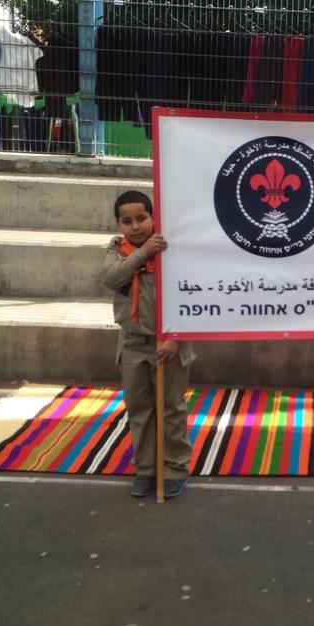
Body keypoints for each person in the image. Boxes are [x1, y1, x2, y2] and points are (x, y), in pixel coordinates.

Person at [102, 190, 194, 499]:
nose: (135, 226)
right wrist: (142, 254)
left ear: (153, 218)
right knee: (139, 410)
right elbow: (111, 278)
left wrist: (175, 337)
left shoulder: (170, 250)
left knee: (170, 409)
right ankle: (146, 469)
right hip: (132, 345)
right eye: (127, 221)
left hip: (168, 344)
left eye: (141, 218)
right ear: (118, 224)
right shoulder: (117, 250)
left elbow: (190, 296)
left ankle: (175, 469)